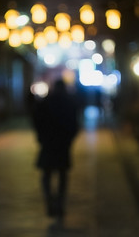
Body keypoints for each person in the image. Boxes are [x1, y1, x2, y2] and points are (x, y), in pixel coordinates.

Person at [32, 79, 79, 224]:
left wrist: (41, 137)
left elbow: (37, 120)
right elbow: (75, 125)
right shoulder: (69, 103)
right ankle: (59, 203)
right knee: (62, 175)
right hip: (62, 145)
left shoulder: (46, 102)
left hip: (48, 143)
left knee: (46, 174)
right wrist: (69, 140)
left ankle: (50, 201)